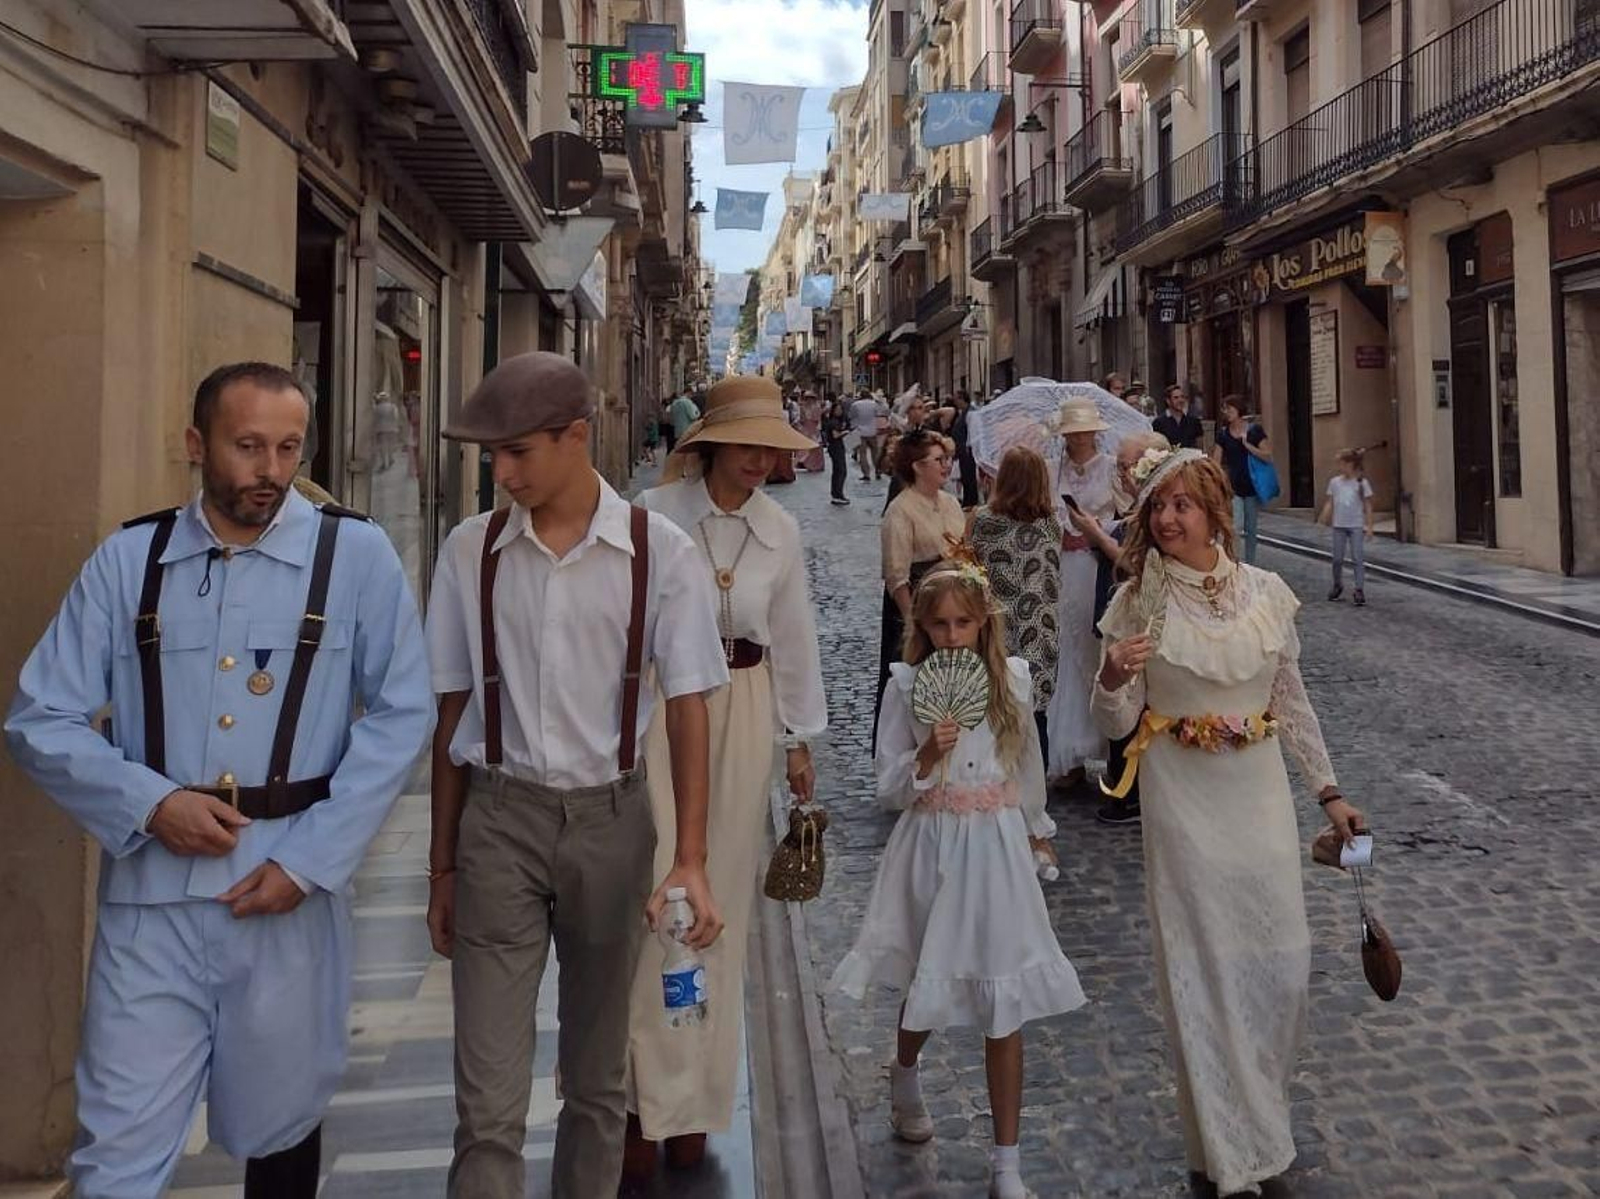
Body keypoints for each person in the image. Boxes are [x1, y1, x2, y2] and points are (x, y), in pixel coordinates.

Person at [5, 362, 434, 1198]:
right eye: (247, 446)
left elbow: (402, 713)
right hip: (151, 903)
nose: (270, 470)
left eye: (287, 446)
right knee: (117, 1143)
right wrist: (150, 802)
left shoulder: (355, 556)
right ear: (198, 444)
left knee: (283, 1122)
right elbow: (37, 716)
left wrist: (313, 860)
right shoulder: (130, 560)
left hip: (288, 895)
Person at [424, 352, 730, 1199]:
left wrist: (691, 857)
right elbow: (451, 715)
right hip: (498, 819)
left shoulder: (657, 552)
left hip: (612, 819)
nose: (501, 471)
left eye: (517, 451)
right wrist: (442, 863)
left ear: (576, 438)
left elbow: (689, 706)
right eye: (492, 455)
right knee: (485, 1101)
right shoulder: (469, 550)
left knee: (597, 1083)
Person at [1090, 447, 1365, 1197]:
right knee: (1203, 973)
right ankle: (1231, 1154)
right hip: (1183, 803)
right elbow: (1112, 717)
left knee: (1284, 964)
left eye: (1184, 503)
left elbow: (1292, 697)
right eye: (1159, 506)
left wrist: (1330, 792)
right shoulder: (1138, 602)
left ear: (1215, 509)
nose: (1170, 518)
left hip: (1259, 797)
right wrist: (1113, 674)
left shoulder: (1267, 592)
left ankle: (1259, 1118)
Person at [832, 564, 1086, 1199]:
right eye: (939, 624)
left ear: (982, 625)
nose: (951, 637)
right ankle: (906, 1070)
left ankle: (1007, 1164)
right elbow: (888, 787)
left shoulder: (1012, 682)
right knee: (927, 977)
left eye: (963, 624)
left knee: (1004, 1002)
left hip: (996, 847)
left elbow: (1027, 766)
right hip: (933, 845)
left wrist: (1036, 828)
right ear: (921, 627)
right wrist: (925, 756)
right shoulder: (906, 686)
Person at [625, 376, 827, 1176]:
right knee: (654, 892)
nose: (760, 462)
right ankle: (641, 1099)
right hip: (662, 710)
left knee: (723, 906)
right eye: (748, 445)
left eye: (771, 449)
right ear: (709, 443)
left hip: (743, 710)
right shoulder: (655, 516)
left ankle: (699, 1103)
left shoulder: (780, 531)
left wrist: (800, 740)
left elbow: (793, 637)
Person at [1065, 431, 1172, 828]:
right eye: (1123, 466)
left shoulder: (1163, 515)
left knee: (1136, 709)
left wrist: (1096, 536)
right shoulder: (1139, 509)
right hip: (1117, 617)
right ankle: (1122, 786)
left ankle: (1130, 794)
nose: (1123, 473)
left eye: (1129, 466)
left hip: (1141, 624)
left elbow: (1139, 566)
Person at [968, 447, 1061, 769]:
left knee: (995, 708)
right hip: (1040, 628)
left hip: (996, 628)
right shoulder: (1051, 523)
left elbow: (970, 565)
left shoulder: (982, 520)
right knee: (1036, 711)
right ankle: (1037, 781)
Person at [875, 430, 966, 744]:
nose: (946, 466)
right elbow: (896, 575)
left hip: (953, 601)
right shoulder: (900, 511)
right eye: (938, 460)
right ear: (917, 466)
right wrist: (912, 622)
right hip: (915, 606)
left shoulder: (951, 503)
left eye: (947, 459)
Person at [1047, 398, 1118, 785]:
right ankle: (1070, 753)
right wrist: (1061, 534)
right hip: (1065, 569)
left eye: (1086, 429)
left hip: (1098, 564)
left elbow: (1123, 517)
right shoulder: (1050, 470)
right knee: (1069, 649)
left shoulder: (1110, 469)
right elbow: (1043, 513)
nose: (1080, 436)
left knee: (1099, 647)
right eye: (1073, 430)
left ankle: (1109, 749)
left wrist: (1093, 533)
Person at [1212, 395, 1273, 564]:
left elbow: (1267, 456)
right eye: (1225, 409)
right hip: (1234, 488)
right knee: (1235, 528)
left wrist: (1248, 446)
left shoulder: (1255, 431)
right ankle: (1234, 563)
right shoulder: (1223, 434)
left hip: (1253, 486)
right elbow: (1215, 461)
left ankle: (1250, 565)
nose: (1226, 413)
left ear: (1239, 410)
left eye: (1229, 409)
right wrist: (1218, 483)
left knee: (1252, 529)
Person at [1318, 448, 1375, 606]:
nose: (1339, 467)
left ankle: (1359, 588)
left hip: (1355, 524)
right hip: (1339, 525)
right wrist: (1323, 518)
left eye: (1341, 464)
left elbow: (1367, 505)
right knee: (1337, 559)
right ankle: (1337, 584)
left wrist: (1369, 526)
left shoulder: (1361, 483)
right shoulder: (1335, 482)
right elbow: (1330, 501)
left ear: (1350, 464)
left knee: (1357, 557)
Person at [950, 389, 982, 508]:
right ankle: (968, 501)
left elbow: (973, 433)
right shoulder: (962, 413)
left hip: (968, 452)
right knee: (965, 478)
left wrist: (969, 448)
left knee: (970, 478)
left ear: (962, 399)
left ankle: (971, 503)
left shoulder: (971, 413)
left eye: (956, 398)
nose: (955, 401)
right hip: (962, 452)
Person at [821, 393, 853, 505]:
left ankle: (836, 493)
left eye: (841, 409)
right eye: (837, 409)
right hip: (836, 447)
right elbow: (835, 435)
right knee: (841, 471)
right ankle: (838, 494)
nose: (839, 411)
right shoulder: (833, 422)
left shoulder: (836, 421)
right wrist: (845, 432)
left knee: (838, 471)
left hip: (836, 447)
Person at [1152, 384, 1203, 450]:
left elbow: (1200, 446)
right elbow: (1156, 447)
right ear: (1168, 401)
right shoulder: (1158, 423)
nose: (1180, 400)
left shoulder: (1194, 421)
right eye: (1176, 397)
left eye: (1182, 397)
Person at [851, 389, 886, 481]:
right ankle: (878, 471)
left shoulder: (855, 404)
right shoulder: (874, 404)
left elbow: (852, 417)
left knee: (862, 454)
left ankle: (866, 474)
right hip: (872, 431)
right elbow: (879, 415)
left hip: (860, 431)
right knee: (875, 452)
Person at [796, 389, 826, 473]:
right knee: (806, 446)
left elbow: (817, 419)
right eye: (807, 398)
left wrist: (817, 429)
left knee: (815, 447)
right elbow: (801, 419)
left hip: (814, 428)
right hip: (806, 428)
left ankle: (816, 465)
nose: (809, 400)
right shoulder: (802, 407)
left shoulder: (816, 407)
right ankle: (807, 463)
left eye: (811, 398)